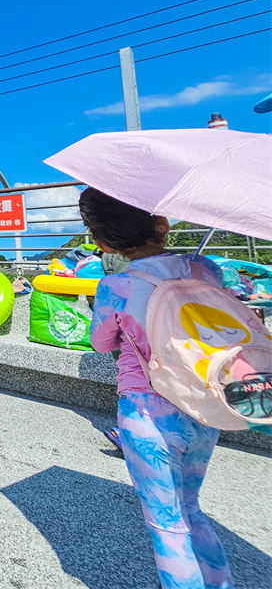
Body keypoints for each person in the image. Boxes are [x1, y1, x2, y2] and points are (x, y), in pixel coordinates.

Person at [81, 187, 235, 589]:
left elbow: (101, 343)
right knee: (191, 508)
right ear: (162, 223)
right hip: (205, 406)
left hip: (147, 413)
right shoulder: (206, 269)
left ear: (100, 241)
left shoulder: (116, 286)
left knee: (167, 526)